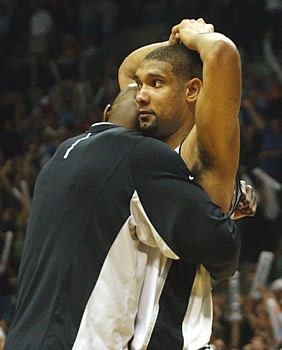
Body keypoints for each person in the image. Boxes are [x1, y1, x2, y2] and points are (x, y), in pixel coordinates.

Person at [4, 84, 241, 350]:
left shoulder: (61, 156)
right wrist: (227, 201)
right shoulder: (139, 153)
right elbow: (220, 246)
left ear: (106, 113)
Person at [118, 18, 255, 348]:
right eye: (142, 85)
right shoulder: (140, 148)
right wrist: (176, 44)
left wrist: (197, 37)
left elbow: (222, 54)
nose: (141, 94)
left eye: (157, 83)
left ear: (193, 90)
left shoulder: (203, 150)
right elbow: (128, 67)